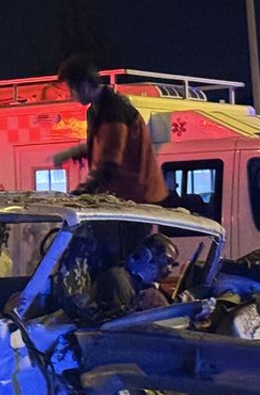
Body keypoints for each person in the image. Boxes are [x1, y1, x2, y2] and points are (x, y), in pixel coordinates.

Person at [50, 56, 168, 205]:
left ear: (84, 85)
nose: (71, 96)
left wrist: (85, 191)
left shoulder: (113, 109)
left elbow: (111, 159)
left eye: (72, 89)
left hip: (138, 195)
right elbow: (104, 146)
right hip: (127, 193)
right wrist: (72, 153)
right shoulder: (96, 109)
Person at [93, 233, 180, 320]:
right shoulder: (117, 279)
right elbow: (120, 322)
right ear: (146, 255)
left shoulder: (144, 285)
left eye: (172, 264)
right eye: (167, 261)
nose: (170, 269)